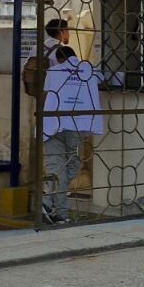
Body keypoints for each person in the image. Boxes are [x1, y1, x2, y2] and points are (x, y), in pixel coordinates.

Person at [41, 44, 102, 224]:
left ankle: (48, 203)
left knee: (56, 168)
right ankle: (60, 211)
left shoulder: (54, 71)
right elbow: (104, 78)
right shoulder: (89, 70)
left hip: (53, 123)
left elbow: (45, 90)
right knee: (72, 166)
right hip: (76, 124)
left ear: (59, 59)